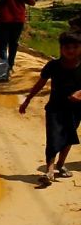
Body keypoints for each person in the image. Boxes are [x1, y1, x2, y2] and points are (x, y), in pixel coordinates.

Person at [19, 30, 81, 186]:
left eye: (75, 47)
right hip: (54, 108)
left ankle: (61, 164)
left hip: (75, 109)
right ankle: (50, 170)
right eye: (67, 47)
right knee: (53, 138)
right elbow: (40, 83)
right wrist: (27, 100)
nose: (71, 50)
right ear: (61, 49)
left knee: (68, 138)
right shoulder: (53, 65)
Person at [0, 0, 36, 75]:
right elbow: (32, 2)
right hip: (18, 20)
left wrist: (1, 2)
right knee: (14, 43)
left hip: (4, 19)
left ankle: (4, 67)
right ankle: (11, 66)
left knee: (3, 45)